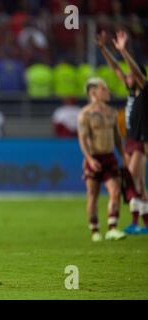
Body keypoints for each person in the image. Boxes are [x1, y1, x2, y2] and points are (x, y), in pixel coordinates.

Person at [96, 30, 148, 234]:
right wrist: (103, 49)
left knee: (132, 179)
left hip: (141, 140)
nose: (125, 77)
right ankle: (139, 223)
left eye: (130, 75)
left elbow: (132, 69)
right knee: (138, 182)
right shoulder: (130, 91)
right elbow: (116, 69)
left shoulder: (144, 89)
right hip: (130, 139)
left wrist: (124, 50)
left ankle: (138, 223)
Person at [77, 78, 127, 242]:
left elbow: (118, 138)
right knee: (93, 194)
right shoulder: (85, 114)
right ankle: (95, 229)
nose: (108, 91)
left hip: (110, 157)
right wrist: (89, 159)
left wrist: (124, 155)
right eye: (103, 89)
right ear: (93, 93)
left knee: (115, 191)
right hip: (94, 158)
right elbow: (83, 140)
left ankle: (112, 227)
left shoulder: (113, 112)